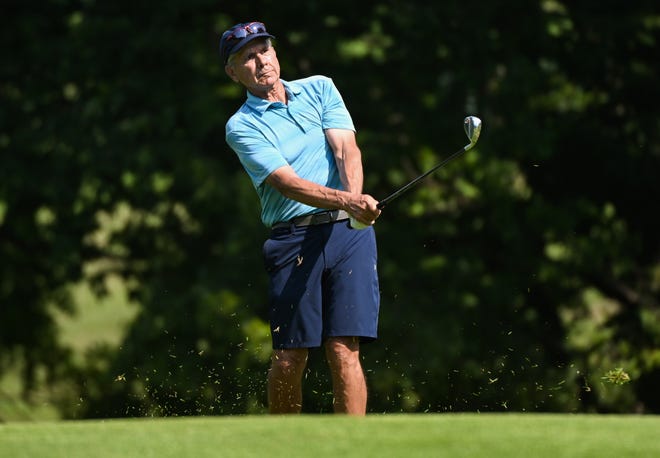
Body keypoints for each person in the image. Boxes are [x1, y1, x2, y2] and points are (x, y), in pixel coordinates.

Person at [220, 21, 381, 415]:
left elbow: (347, 150)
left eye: (265, 51)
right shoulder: (241, 126)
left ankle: (354, 448)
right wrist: (349, 200)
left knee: (345, 348)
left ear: (276, 53)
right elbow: (287, 184)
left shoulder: (320, 87)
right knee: (291, 356)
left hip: (348, 235)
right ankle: (284, 446)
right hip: (294, 240)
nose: (261, 62)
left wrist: (355, 204)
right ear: (233, 72)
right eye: (248, 58)